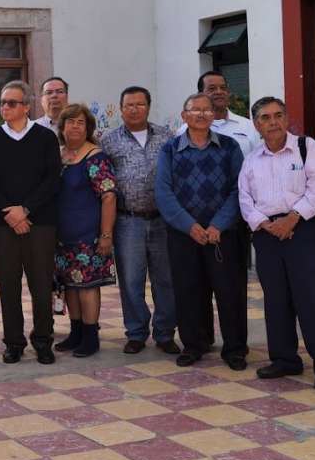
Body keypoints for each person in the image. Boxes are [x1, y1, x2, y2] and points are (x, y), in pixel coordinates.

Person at [239, 97, 315, 390]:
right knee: (275, 299)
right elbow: (245, 199)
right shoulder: (252, 160)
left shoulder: (306, 147)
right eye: (266, 118)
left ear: (287, 118)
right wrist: (264, 224)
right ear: (257, 125)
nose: (273, 122)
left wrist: (292, 219)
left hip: (302, 229)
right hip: (266, 234)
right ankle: (285, 360)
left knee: (310, 298)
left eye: (278, 115)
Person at [156, 93, 247, 369]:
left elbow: (238, 189)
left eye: (206, 110)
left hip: (223, 234)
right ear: (184, 116)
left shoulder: (230, 147)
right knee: (187, 291)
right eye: (195, 110)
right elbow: (163, 192)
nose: (201, 114)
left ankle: (235, 350)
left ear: (214, 115)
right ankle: (193, 345)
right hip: (184, 234)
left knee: (230, 292)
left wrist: (218, 224)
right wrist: (190, 226)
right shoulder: (170, 150)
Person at [0, 80, 62, 365]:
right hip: (3, 227)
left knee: (41, 286)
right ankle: (13, 342)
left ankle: (43, 341)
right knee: (8, 286)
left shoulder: (45, 138)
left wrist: (25, 210)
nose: (5, 107)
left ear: (26, 106)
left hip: (40, 224)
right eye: (2, 102)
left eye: (12, 103)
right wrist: (11, 215)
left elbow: (52, 180)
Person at [99, 86, 180, 355]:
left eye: (139, 104)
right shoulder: (109, 141)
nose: (134, 109)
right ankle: (136, 332)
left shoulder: (167, 138)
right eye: (128, 105)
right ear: (121, 109)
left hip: (162, 220)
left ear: (148, 106)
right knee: (131, 279)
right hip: (127, 221)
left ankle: (165, 333)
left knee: (165, 279)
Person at [51, 104, 117, 358]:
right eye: (70, 122)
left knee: (88, 286)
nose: (75, 126)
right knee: (70, 286)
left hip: (88, 235)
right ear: (62, 127)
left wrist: (106, 235)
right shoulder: (58, 155)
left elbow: (109, 197)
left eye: (80, 122)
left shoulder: (95, 156)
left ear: (88, 128)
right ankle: (76, 332)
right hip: (61, 237)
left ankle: (91, 336)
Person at [178, 71, 260, 157]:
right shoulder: (185, 130)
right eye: (212, 88)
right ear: (200, 94)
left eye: (223, 88)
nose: (219, 92)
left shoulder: (248, 126)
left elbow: (259, 161)